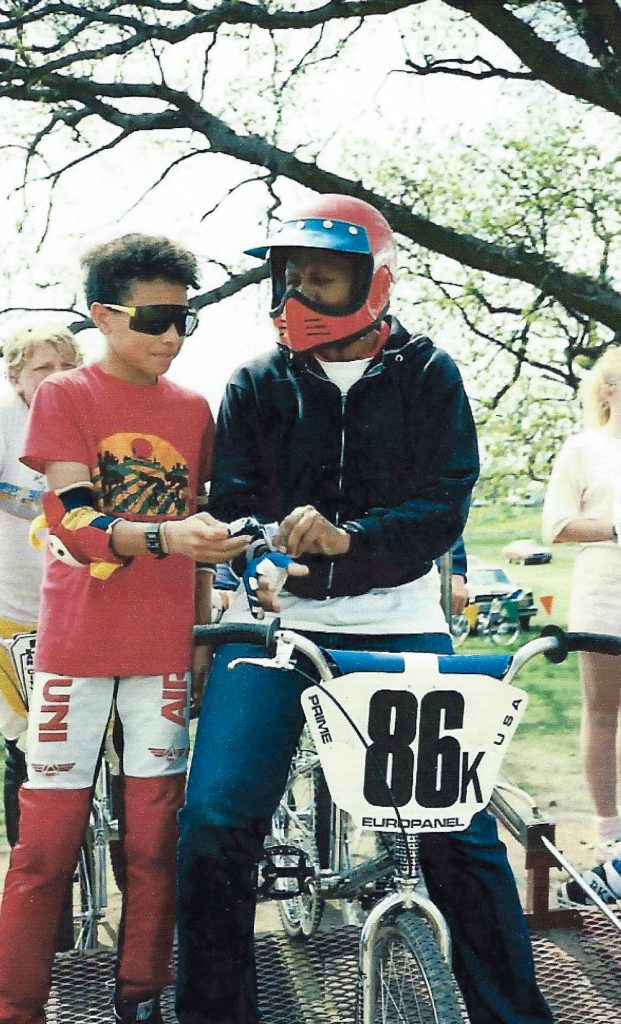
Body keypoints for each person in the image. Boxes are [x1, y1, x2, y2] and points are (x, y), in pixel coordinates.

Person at [176, 195, 553, 1024]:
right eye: (289, 278)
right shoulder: (255, 382)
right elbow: (233, 505)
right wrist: (262, 547)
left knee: (459, 833)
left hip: (399, 623)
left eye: (321, 280)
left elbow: (443, 506)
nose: (298, 297)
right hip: (273, 629)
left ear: (372, 283)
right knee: (213, 822)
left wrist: (352, 538)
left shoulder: (429, 374)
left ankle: (513, 1016)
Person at [0, 233, 250, 1024]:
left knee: (152, 844)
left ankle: (140, 996)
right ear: (104, 316)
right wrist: (167, 537)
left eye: (184, 319)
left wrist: (200, 631)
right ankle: (17, 1007)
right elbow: (72, 520)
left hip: (163, 650)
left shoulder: (193, 409)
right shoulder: (66, 396)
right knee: (44, 848)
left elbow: (202, 536)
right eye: (154, 319)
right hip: (75, 651)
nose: (172, 336)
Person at [542, 346, 621, 903]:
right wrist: (616, 528)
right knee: (603, 712)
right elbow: (556, 526)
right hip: (604, 598)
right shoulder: (584, 449)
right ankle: (609, 837)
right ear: (610, 391)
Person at [0, 323, 82, 849]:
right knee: (27, 745)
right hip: (13, 609)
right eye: (42, 368)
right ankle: (32, 876)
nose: (56, 378)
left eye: (67, 367)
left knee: (99, 742)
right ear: (16, 378)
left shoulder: (89, 417)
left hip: (80, 609)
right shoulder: (5, 423)